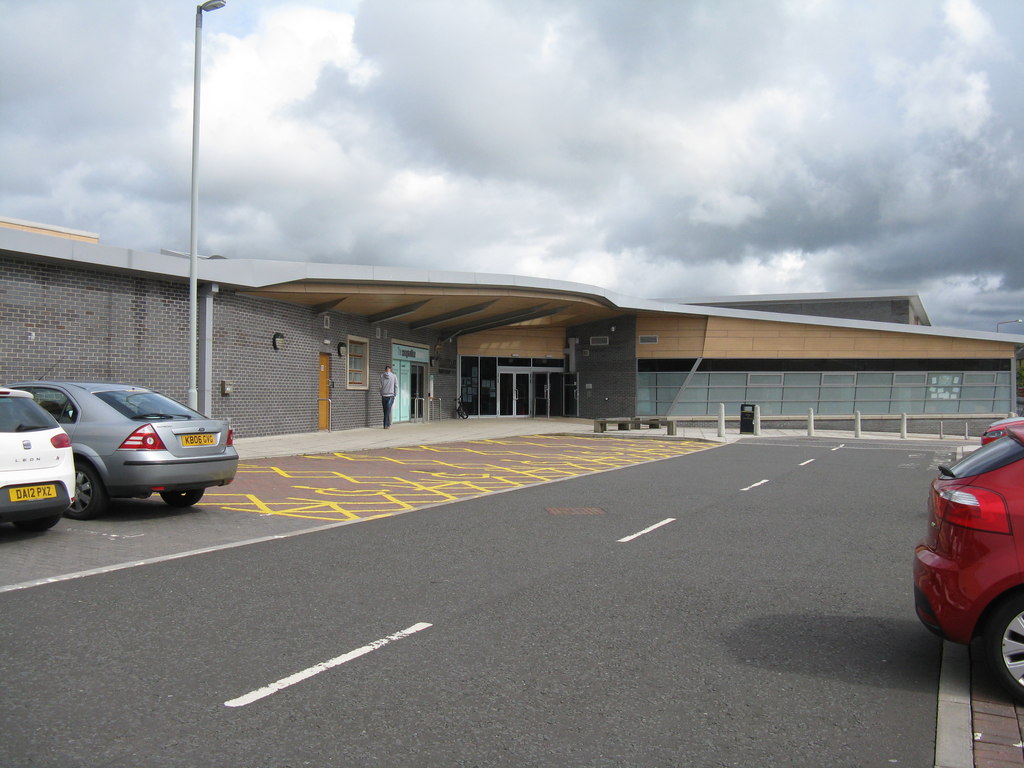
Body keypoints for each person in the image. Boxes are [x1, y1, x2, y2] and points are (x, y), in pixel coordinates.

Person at [379, 364, 398, 428]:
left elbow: (380, 386)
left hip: (384, 395)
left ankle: (388, 423)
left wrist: (381, 393)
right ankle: (385, 424)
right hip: (390, 395)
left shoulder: (382, 376)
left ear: (385, 370)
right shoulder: (394, 376)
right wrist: (395, 393)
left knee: (385, 410)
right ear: (390, 370)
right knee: (388, 410)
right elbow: (396, 386)